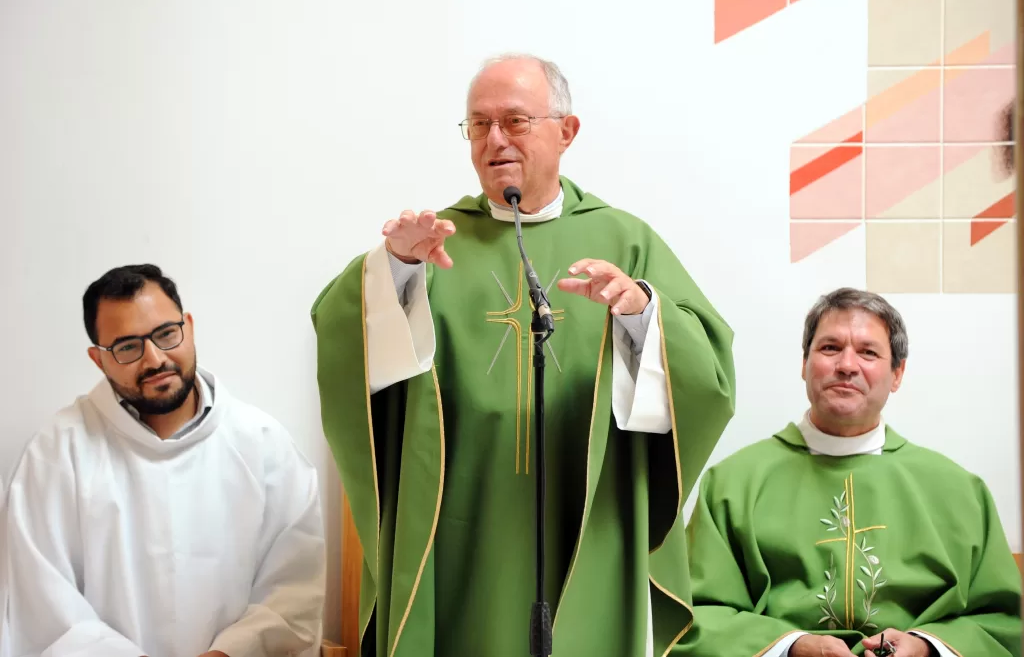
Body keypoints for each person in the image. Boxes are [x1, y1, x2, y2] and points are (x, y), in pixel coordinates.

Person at [310, 53, 737, 657]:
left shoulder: (625, 239)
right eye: (478, 125)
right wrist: (397, 273)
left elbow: (709, 376)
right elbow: (343, 341)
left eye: (515, 121)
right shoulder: (435, 239)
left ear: (566, 131)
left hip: (588, 518)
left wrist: (644, 312)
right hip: (458, 519)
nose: (495, 140)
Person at [4, 264, 327, 657]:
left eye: (166, 334)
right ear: (98, 358)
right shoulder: (57, 453)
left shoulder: (263, 446)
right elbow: (42, 605)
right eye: (126, 347)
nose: (155, 359)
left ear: (188, 326)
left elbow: (294, 592)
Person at [679, 288, 1022, 657]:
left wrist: (927, 648)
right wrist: (793, 647)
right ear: (804, 364)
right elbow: (697, 615)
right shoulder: (732, 484)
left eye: (868, 352)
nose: (846, 365)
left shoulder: (959, 491)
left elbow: (1003, 623)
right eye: (829, 348)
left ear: (897, 374)